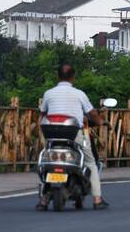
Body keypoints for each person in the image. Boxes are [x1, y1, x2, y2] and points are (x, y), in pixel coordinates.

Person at [37, 63, 110, 210]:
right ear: (73, 77)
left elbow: (42, 114)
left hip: (52, 136)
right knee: (91, 163)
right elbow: (92, 113)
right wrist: (101, 122)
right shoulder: (79, 94)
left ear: (58, 77)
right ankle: (97, 199)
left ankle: (44, 199)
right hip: (74, 135)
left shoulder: (48, 93)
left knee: (46, 164)